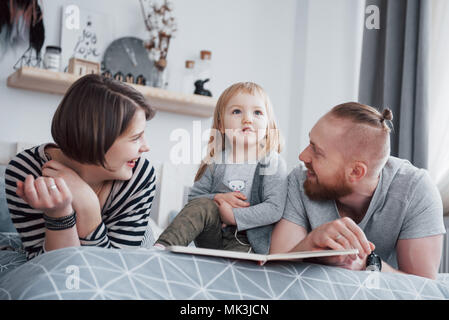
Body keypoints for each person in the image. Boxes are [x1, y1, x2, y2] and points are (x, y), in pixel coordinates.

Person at [270, 102, 446, 279]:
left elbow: (423, 289)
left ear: (355, 171)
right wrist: (310, 245)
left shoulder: (415, 191)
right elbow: (272, 274)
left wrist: (366, 264)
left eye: (317, 151)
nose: (302, 156)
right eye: (310, 143)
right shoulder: (302, 179)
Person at [5, 74, 157, 260]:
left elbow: (116, 269)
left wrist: (87, 204)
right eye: (135, 138)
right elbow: (53, 268)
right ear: (97, 139)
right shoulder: (26, 172)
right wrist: (59, 213)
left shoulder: (140, 174)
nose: (146, 146)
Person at [155, 82, 287, 254]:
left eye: (257, 112)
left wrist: (233, 217)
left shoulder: (272, 162)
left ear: (268, 124)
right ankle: (161, 248)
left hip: (248, 242)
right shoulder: (215, 160)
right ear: (222, 124)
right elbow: (195, 200)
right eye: (237, 111)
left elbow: (275, 208)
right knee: (202, 205)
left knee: (234, 269)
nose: (247, 119)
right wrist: (218, 198)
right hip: (213, 237)